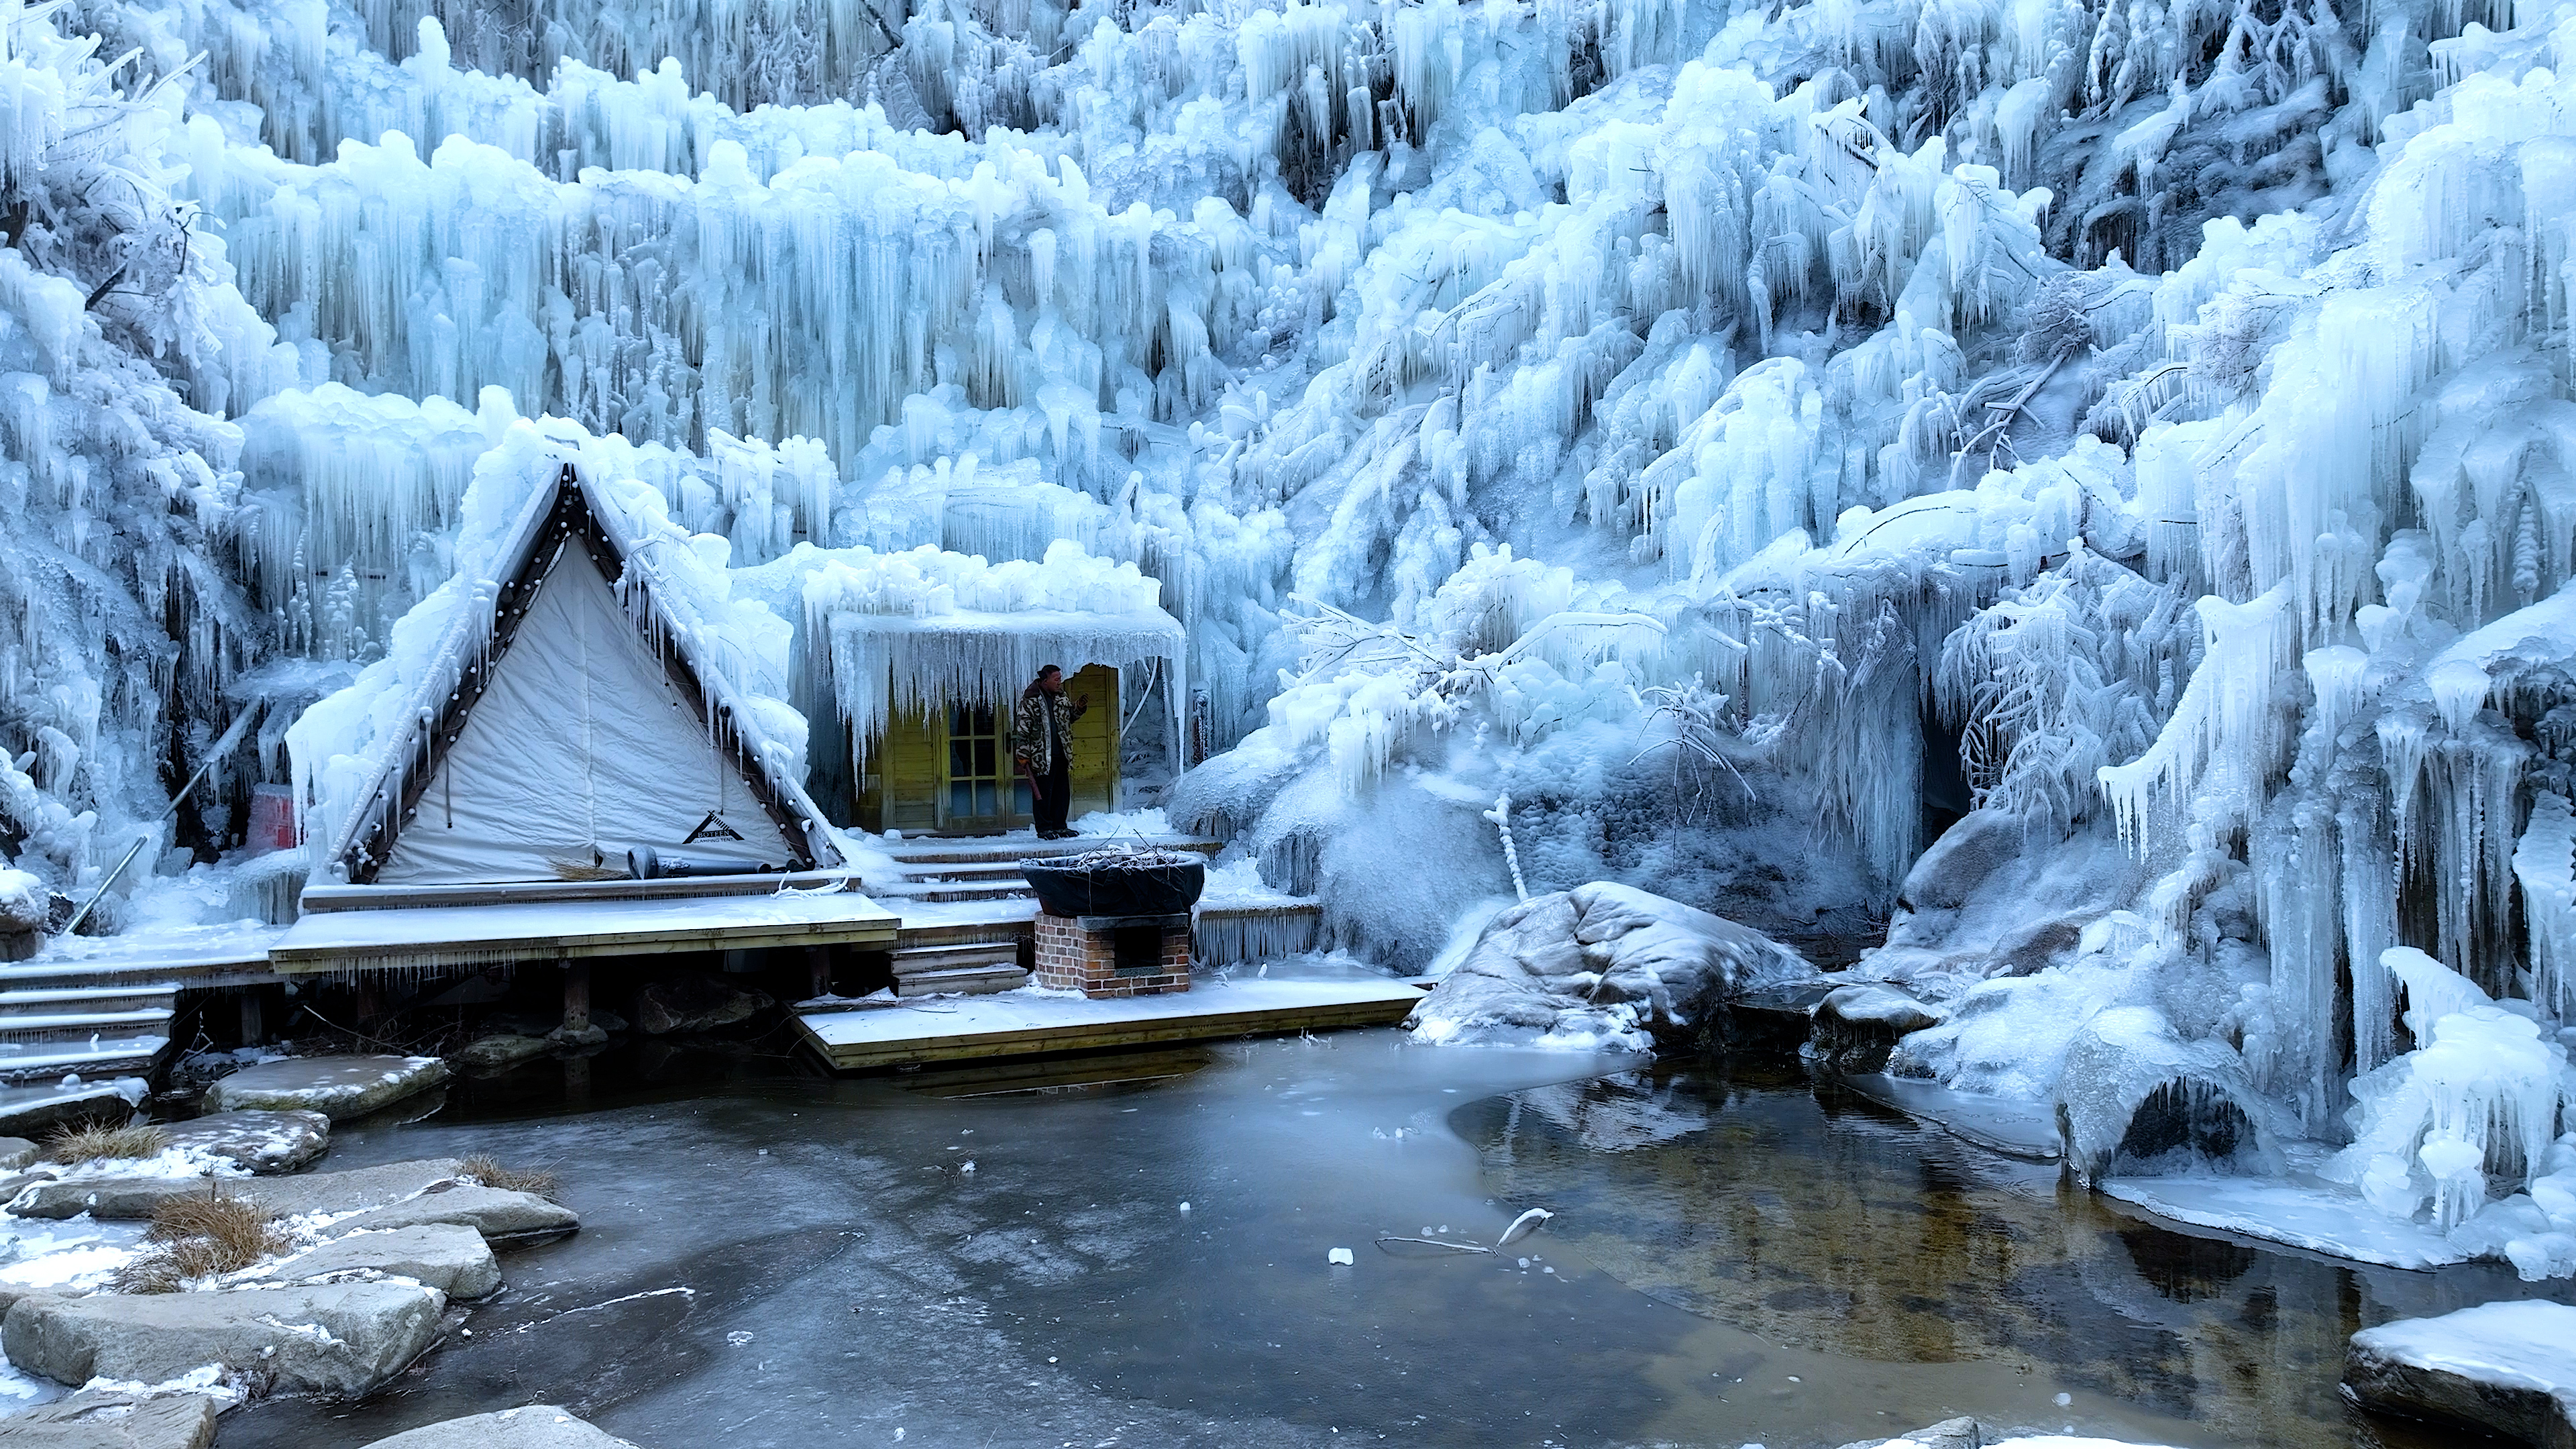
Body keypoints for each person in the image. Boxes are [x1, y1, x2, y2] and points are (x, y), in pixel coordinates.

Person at [1013, 665, 1089, 839]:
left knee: (1062, 793)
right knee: (1043, 794)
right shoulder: (1030, 700)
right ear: (1045, 680)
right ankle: (1044, 828)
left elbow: (1069, 717)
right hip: (1041, 756)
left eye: (1060, 678)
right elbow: (1023, 729)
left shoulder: (1061, 697)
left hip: (1062, 753)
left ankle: (1060, 825)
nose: (1059, 682)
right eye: (1056, 679)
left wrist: (1079, 707)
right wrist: (1023, 755)